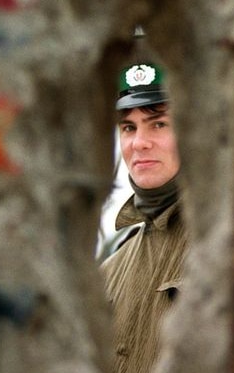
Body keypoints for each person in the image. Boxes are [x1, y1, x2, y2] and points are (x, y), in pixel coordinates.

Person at [101, 61, 188, 373]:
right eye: (129, 127)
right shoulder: (109, 271)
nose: (139, 143)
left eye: (159, 124)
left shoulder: (226, 245)